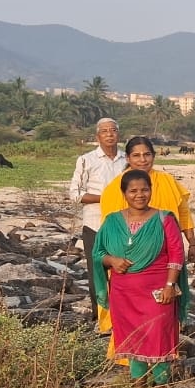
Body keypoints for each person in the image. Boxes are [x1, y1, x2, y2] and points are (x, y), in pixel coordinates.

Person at [92, 170, 191, 388]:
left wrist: (170, 285)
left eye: (144, 189)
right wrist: (112, 261)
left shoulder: (164, 219)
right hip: (124, 293)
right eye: (133, 191)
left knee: (159, 338)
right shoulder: (112, 221)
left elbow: (176, 254)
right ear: (124, 193)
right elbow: (98, 253)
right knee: (132, 340)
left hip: (159, 291)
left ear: (151, 190)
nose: (140, 195)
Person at [100, 137, 195, 263]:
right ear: (127, 158)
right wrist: (114, 260)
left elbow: (184, 216)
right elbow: (110, 227)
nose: (142, 160)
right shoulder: (115, 188)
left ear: (153, 156)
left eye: (147, 154)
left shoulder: (167, 181)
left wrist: (193, 244)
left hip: (167, 252)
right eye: (136, 155)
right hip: (129, 256)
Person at [68, 118, 126, 314]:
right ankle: (99, 314)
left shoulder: (127, 160)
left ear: (118, 134)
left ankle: (122, 315)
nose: (109, 134)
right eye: (104, 131)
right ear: (97, 136)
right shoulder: (86, 160)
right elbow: (75, 195)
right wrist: (107, 199)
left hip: (124, 224)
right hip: (94, 223)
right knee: (97, 271)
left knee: (124, 269)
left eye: (113, 130)